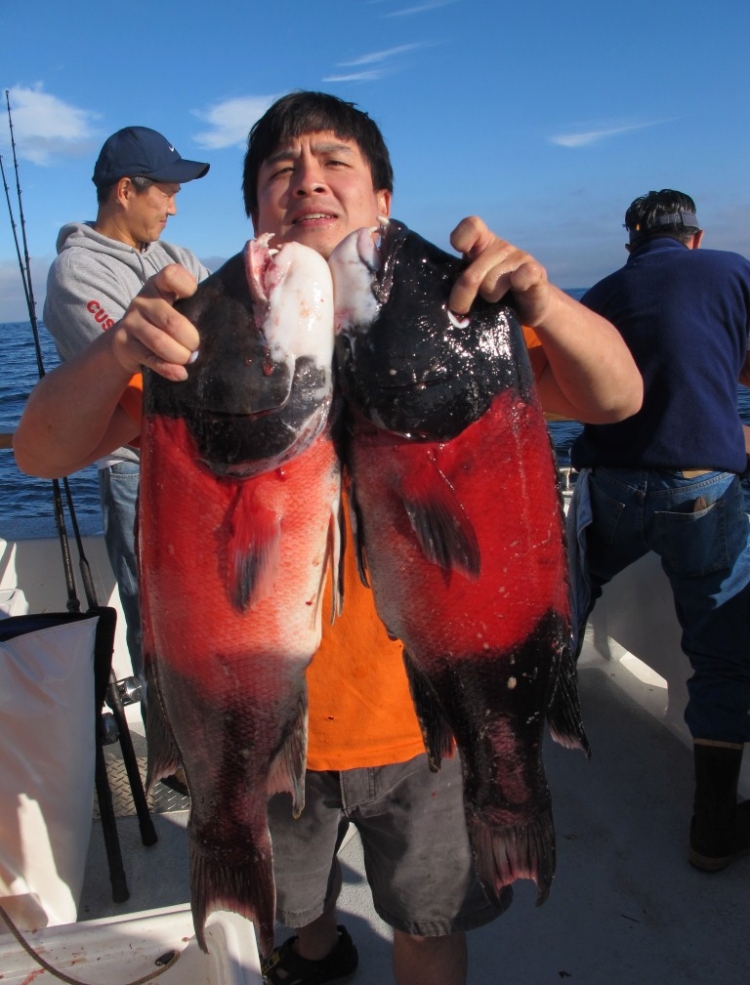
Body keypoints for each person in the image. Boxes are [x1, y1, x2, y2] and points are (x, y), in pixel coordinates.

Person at [13, 92, 643, 985]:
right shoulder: (206, 347)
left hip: (425, 725)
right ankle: (314, 949)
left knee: (428, 920)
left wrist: (544, 303)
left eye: (335, 162)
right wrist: (120, 349)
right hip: (266, 735)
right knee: (283, 920)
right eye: (279, 170)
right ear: (256, 211)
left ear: (383, 199)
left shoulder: (453, 329)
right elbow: (41, 449)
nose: (306, 179)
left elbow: (617, 395)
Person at [567, 189, 750, 877]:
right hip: (703, 484)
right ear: (696, 238)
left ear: (631, 244)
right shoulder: (735, 271)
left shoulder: (605, 291)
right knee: (722, 649)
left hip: (612, 480)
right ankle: (712, 826)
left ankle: (512, 756)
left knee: (570, 600)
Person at [42, 126, 210, 692]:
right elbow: (143, 375)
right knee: (161, 625)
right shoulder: (77, 273)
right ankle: (176, 753)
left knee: (211, 615)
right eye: (165, 192)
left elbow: (219, 344)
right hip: (135, 475)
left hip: (200, 466)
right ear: (124, 192)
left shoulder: (175, 257)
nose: (174, 208)